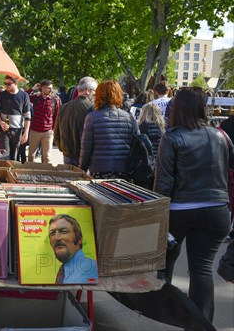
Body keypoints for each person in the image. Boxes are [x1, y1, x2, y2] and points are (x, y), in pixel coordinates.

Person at [154, 87, 233, 322]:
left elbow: (164, 182)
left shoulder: (172, 137)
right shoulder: (221, 135)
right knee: (201, 270)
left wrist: (158, 215)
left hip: (180, 211)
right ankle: (201, 324)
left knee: (164, 264)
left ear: (177, 108)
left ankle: (165, 313)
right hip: (217, 210)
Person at [79, 79, 138, 178]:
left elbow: (86, 148)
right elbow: (136, 144)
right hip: (123, 169)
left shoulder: (92, 117)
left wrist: (82, 168)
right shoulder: (129, 118)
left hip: (99, 169)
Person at [54, 76, 97, 166]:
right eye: (95, 92)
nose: (95, 96)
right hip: (84, 157)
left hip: (67, 154)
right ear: (88, 91)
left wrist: (63, 149)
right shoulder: (92, 108)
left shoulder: (64, 107)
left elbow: (56, 133)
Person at [48, 214, 98, 284]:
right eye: (52, 233)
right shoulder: (65, 270)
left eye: (64, 231)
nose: (57, 238)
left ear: (79, 239)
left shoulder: (90, 269)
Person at [0, 75, 31, 161]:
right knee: (5, 154)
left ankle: (12, 172)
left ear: (16, 83)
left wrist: (26, 133)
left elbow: (27, 116)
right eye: (5, 83)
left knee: (15, 156)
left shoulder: (24, 96)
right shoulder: (2, 95)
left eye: (9, 84)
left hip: (17, 130)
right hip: (4, 129)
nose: (6, 85)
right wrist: (1, 122)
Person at [28, 79, 61, 163]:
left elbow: (57, 115)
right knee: (31, 155)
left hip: (48, 132)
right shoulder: (36, 98)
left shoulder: (55, 100)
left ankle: (44, 174)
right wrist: (33, 88)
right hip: (35, 131)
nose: (51, 90)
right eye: (49, 88)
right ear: (43, 88)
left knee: (47, 157)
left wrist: (53, 130)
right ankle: (30, 174)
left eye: (51, 88)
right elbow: (24, 95)